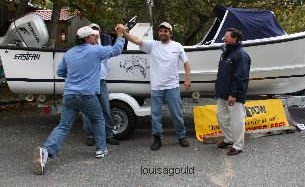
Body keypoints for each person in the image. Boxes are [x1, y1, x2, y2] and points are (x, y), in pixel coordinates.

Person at [34, 24, 126, 175]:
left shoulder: (69, 53)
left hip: (69, 95)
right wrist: (120, 36)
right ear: (86, 38)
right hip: (87, 95)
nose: (96, 37)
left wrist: (74, 79)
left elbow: (60, 72)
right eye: (93, 35)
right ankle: (101, 149)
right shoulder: (95, 50)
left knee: (63, 126)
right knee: (98, 119)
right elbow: (116, 50)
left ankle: (46, 151)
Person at [123, 22, 191, 150]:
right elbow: (136, 40)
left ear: (170, 33)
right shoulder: (152, 45)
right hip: (156, 88)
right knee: (156, 115)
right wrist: (124, 33)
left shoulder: (177, 46)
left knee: (177, 114)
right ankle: (157, 138)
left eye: (166, 31)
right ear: (158, 33)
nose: (163, 33)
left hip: (172, 87)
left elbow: (186, 63)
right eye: (161, 31)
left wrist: (188, 79)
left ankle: (181, 136)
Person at [82, 23, 119, 146]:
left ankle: (109, 135)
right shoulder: (83, 48)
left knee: (106, 109)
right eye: (93, 32)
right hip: (88, 84)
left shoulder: (102, 47)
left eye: (97, 32)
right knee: (87, 111)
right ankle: (90, 136)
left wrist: (103, 74)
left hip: (101, 82)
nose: (95, 35)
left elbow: (107, 63)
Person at [215, 28, 251, 155]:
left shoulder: (241, 55)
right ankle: (229, 139)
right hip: (223, 93)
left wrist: (234, 94)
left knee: (237, 120)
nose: (224, 38)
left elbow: (242, 77)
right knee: (221, 116)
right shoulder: (225, 52)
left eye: (226, 36)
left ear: (234, 39)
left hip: (234, 95)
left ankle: (238, 145)